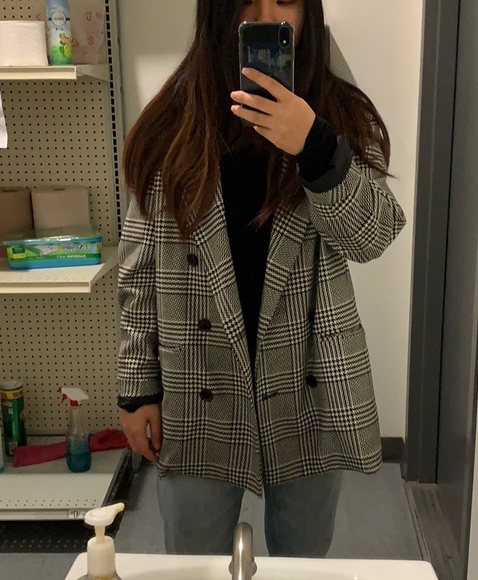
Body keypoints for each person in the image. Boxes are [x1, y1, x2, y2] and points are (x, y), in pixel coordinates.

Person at [117, 0, 406, 559]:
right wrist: (137, 387)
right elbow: (139, 267)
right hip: (196, 380)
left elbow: (373, 236)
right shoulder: (173, 123)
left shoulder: (335, 115)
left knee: (303, 561)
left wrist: (315, 147)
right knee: (194, 561)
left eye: (287, 0)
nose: (268, 14)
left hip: (306, 378)